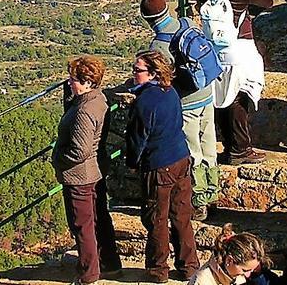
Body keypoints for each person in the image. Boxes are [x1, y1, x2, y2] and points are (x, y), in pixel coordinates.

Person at [140, 0, 220, 222]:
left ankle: (199, 202)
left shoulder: (159, 45)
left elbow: (161, 79)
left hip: (187, 102)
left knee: (193, 152)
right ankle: (213, 192)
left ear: (147, 19)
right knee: (209, 148)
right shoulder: (186, 23)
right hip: (207, 93)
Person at [195, 0, 274, 166]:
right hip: (240, 46)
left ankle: (230, 145)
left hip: (214, 46)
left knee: (222, 96)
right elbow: (267, 1)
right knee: (241, 97)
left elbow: (199, 0)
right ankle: (240, 149)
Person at [125, 50, 199, 283]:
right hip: (181, 158)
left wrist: (132, 163)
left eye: (138, 70)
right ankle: (189, 266)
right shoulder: (171, 92)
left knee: (157, 218)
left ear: (153, 73)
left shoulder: (145, 101)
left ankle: (158, 269)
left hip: (159, 165)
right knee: (182, 215)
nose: (133, 74)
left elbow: (138, 138)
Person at [51, 55, 122, 284]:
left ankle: (88, 273)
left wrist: (58, 159)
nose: (70, 82)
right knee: (99, 218)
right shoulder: (98, 100)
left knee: (82, 225)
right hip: (95, 172)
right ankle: (109, 264)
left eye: (74, 79)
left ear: (87, 82)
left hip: (80, 175)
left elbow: (79, 150)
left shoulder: (85, 111)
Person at [189, 224, 269, 285]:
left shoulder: (234, 273)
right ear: (229, 260)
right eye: (245, 270)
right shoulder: (202, 281)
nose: (248, 275)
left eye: (252, 269)